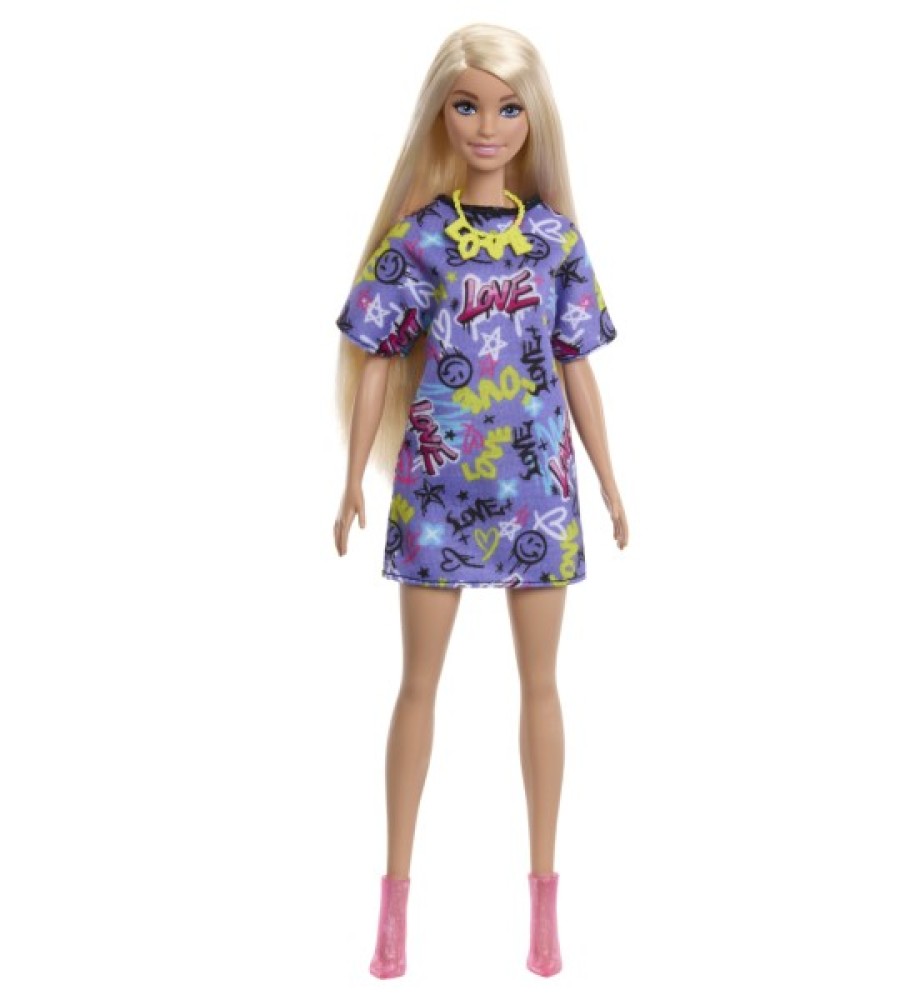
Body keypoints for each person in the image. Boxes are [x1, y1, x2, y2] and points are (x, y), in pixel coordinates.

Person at [332, 22, 628, 978]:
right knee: (418, 685)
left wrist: (609, 481)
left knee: (541, 686)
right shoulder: (420, 239)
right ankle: (393, 908)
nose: (488, 126)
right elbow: (376, 357)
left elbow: (577, 366)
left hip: (537, 486)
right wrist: (351, 479)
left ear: (534, 119)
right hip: (437, 486)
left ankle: (545, 911)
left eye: (507, 109)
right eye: (468, 106)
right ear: (442, 114)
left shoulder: (554, 241)